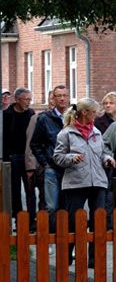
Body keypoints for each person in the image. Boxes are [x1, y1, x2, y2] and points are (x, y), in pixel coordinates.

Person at [52, 98, 115, 265]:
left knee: (98, 220)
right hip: (76, 182)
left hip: (98, 182)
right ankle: (67, 257)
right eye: (94, 112)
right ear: (85, 112)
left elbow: (101, 154)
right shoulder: (66, 133)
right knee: (74, 221)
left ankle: (94, 259)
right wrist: (72, 158)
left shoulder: (96, 132)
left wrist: (108, 159)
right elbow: (57, 157)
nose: (97, 115)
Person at [30, 84, 71, 213]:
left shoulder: (76, 118)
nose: (62, 99)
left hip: (71, 169)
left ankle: (67, 232)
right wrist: (45, 163)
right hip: (52, 169)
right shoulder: (45, 118)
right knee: (51, 206)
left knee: (68, 206)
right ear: (53, 99)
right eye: (59, 96)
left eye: (65, 96)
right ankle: (52, 232)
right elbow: (35, 144)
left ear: (69, 98)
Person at [2, 88, 35, 229]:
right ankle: (18, 218)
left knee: (30, 189)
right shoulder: (6, 115)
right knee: (15, 190)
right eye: (25, 99)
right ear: (17, 99)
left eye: (30, 99)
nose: (28, 102)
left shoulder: (31, 114)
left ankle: (31, 220)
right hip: (13, 157)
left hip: (28, 156)